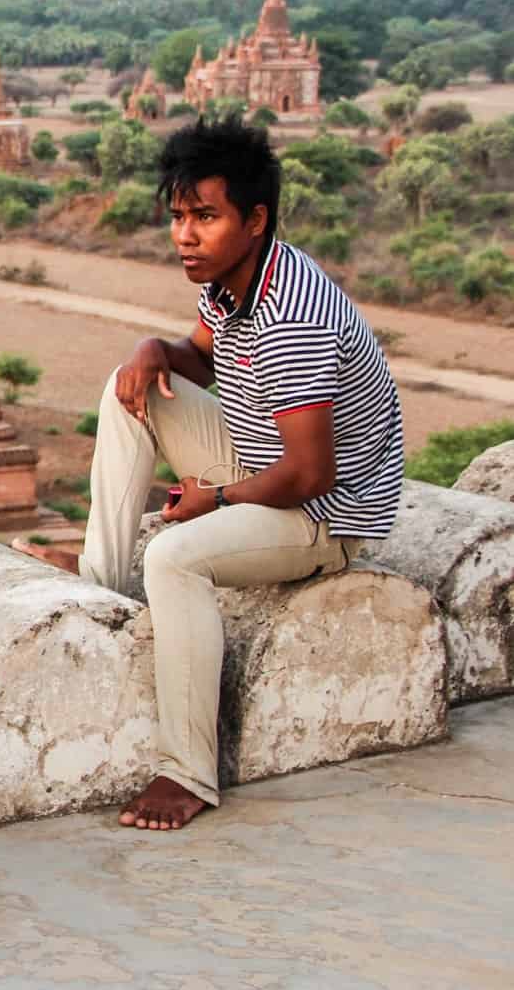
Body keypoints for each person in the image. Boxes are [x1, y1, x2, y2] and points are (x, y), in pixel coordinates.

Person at [78, 118, 404, 832]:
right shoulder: (231, 282)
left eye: (205, 216)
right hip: (264, 460)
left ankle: (186, 771)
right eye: (178, 217)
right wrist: (148, 348)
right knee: (126, 387)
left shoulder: (293, 311)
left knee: (172, 555)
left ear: (254, 220)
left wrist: (212, 499)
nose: (185, 236)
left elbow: (313, 473)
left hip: (324, 513)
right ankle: (97, 590)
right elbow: (197, 357)